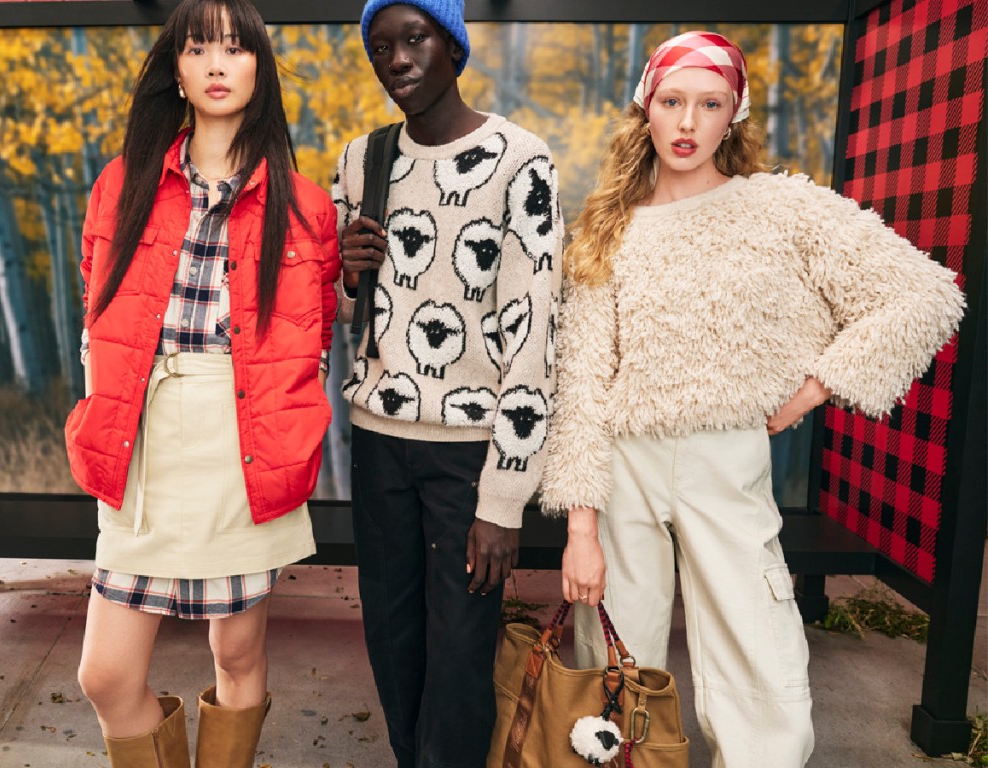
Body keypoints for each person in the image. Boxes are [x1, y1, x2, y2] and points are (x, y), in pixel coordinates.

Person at [540, 30, 964, 768]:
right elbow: (581, 380)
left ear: (732, 116)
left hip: (726, 455)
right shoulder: (607, 227)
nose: (687, 123)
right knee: (614, 644)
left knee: (755, 637)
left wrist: (815, 387)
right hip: (621, 465)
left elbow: (925, 293)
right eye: (672, 101)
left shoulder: (780, 209)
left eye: (710, 104)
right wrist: (581, 527)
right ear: (646, 107)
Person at [64, 0, 339, 765]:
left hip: (243, 440)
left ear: (260, 67)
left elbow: (313, 337)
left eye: (235, 48)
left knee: (239, 658)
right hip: (142, 440)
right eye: (198, 49)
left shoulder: (305, 204)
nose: (217, 64)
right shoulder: (122, 183)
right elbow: (96, 314)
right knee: (107, 675)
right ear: (176, 71)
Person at [331, 1, 563, 765]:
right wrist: (348, 276)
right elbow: (345, 316)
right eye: (379, 45)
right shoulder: (362, 160)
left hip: (469, 454)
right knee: (393, 642)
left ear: (453, 45)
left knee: (461, 650)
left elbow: (534, 339)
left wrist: (503, 500)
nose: (395, 59)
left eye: (414, 38)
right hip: (377, 441)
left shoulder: (518, 158)